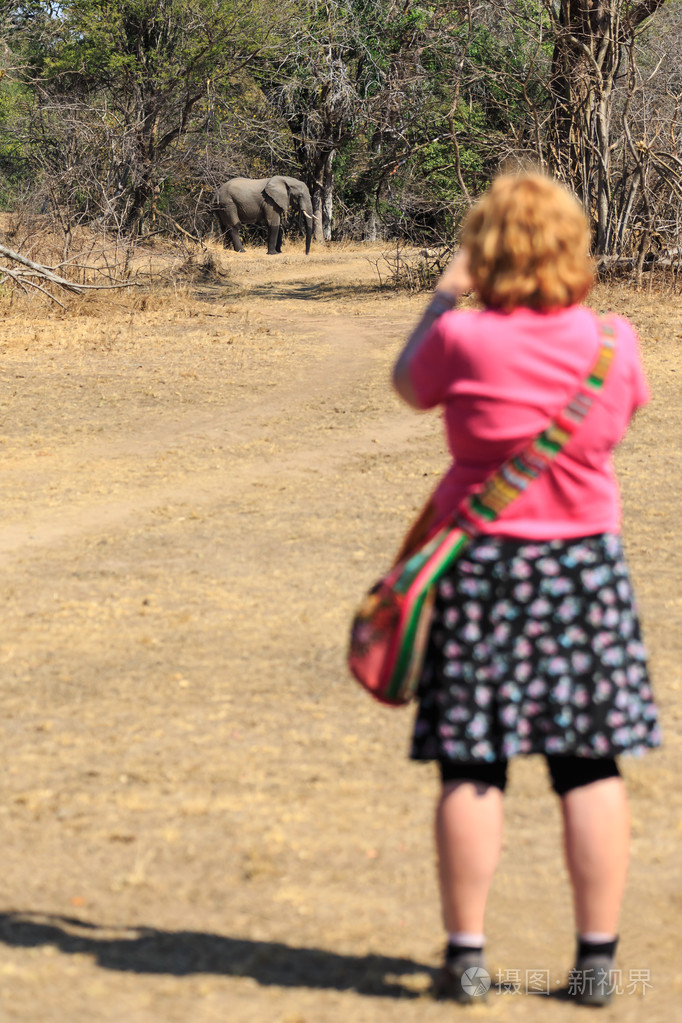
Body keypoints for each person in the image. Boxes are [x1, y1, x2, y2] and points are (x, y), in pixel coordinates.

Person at [392, 172, 661, 1007]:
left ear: (484, 253)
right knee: (589, 762)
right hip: (585, 569)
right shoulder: (615, 341)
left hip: (484, 568)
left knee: (474, 758)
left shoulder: (463, 340)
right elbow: (625, 415)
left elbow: (408, 383)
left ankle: (465, 957)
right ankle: (597, 961)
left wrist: (443, 298)